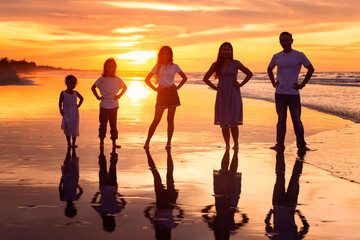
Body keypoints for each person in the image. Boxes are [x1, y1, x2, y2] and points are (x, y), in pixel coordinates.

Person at [267, 32, 315, 152]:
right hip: (280, 94)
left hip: (293, 94)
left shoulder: (299, 55)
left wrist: (302, 84)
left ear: (292, 41)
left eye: (287, 40)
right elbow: (269, 68)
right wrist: (273, 82)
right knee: (281, 120)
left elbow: (311, 69)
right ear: (280, 42)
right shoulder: (277, 56)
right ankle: (279, 145)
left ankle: (302, 146)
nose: (285, 42)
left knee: (297, 120)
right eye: (282, 41)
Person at [203, 42, 253, 150]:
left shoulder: (236, 63)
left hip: (234, 93)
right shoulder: (216, 65)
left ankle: (236, 144)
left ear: (231, 52)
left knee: (234, 121)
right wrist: (215, 87)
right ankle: (227, 145)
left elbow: (249, 73)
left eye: (228, 50)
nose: (226, 51)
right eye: (224, 49)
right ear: (220, 51)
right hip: (222, 95)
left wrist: (241, 84)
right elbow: (205, 78)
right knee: (224, 121)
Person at [143, 46, 187, 149]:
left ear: (170, 55)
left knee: (170, 120)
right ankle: (147, 142)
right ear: (160, 55)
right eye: (164, 53)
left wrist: (177, 87)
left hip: (172, 94)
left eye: (168, 53)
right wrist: (155, 89)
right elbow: (147, 79)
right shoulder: (157, 66)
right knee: (156, 120)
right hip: (161, 94)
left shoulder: (174, 66)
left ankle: (168, 143)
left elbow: (184, 78)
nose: (166, 55)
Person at [91, 58, 127, 150]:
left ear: (115, 68)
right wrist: (98, 97)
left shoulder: (117, 79)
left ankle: (114, 143)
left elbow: (125, 87)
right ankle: (101, 142)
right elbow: (93, 88)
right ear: (105, 68)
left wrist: (119, 96)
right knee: (102, 124)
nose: (110, 69)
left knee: (113, 125)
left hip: (114, 106)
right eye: (109, 67)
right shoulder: (102, 79)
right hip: (103, 105)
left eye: (112, 67)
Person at [59, 74, 83, 148]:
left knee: (74, 127)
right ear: (66, 83)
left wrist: (78, 105)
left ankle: (73, 143)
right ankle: (69, 143)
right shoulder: (63, 93)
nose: (72, 85)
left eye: (74, 83)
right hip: (66, 112)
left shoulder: (76, 93)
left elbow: (82, 98)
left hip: (75, 113)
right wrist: (61, 110)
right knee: (67, 128)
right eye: (71, 83)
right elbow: (60, 102)